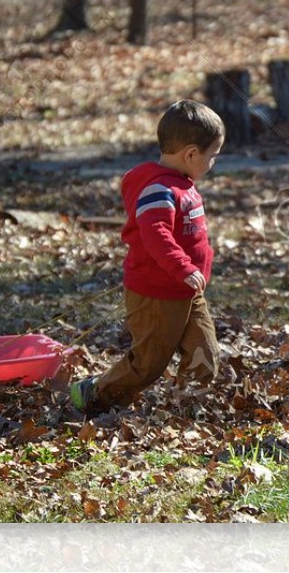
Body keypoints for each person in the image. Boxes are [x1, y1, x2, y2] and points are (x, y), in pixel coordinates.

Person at [71, 100, 225, 414]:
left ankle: (184, 410)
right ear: (191, 154)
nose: (214, 163)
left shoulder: (182, 183)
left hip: (187, 292)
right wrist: (183, 266)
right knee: (147, 365)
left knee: (204, 356)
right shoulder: (158, 190)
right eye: (213, 156)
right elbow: (157, 235)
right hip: (156, 294)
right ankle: (95, 392)